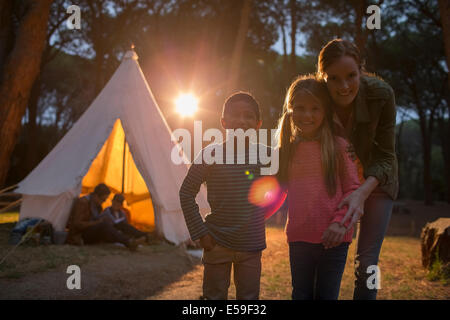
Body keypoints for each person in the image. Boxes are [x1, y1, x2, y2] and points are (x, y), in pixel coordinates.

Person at [317, 39, 398, 300]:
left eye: (351, 76)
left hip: (376, 183)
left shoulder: (381, 94)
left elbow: (386, 156)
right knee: (323, 255)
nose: (344, 87)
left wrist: (362, 193)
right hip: (335, 182)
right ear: (322, 77)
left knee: (367, 263)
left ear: (361, 71)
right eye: (334, 79)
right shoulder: (313, 95)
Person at [179, 92, 271, 300]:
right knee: (213, 297)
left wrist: (260, 216)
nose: (241, 120)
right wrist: (200, 232)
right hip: (216, 242)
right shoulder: (210, 154)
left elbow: (284, 184)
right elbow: (186, 193)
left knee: (248, 300)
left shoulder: (268, 155)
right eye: (235, 115)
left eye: (248, 116)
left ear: (258, 124)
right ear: (224, 122)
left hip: (251, 245)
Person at [276, 75, 360, 300]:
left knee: (327, 296)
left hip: (334, 239)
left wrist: (339, 224)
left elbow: (353, 190)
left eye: (315, 108)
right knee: (300, 295)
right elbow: (272, 191)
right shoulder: (286, 151)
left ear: (325, 111)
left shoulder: (339, 147)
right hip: (299, 239)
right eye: (300, 108)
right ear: (290, 109)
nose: (307, 115)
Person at [66, 183, 138, 251]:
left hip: (93, 232)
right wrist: (97, 222)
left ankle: (140, 237)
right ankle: (128, 242)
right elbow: (77, 224)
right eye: (103, 199)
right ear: (96, 196)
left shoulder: (98, 206)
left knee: (118, 224)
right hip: (82, 235)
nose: (103, 202)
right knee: (104, 225)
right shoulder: (83, 203)